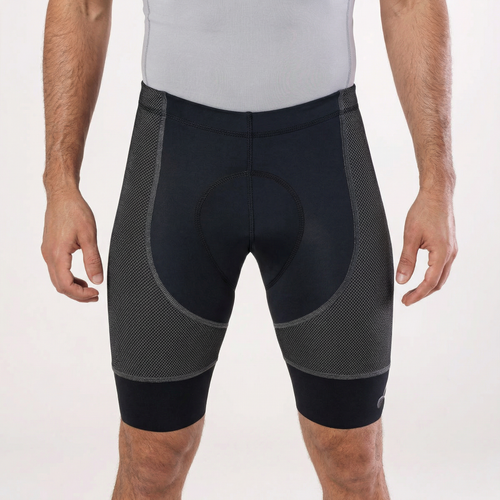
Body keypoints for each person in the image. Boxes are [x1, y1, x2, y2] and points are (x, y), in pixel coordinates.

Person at [40, 0, 458, 498]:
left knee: (354, 459)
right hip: (176, 161)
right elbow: (83, 7)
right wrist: (60, 184)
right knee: (151, 461)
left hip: (322, 160)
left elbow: (409, 5)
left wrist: (438, 183)